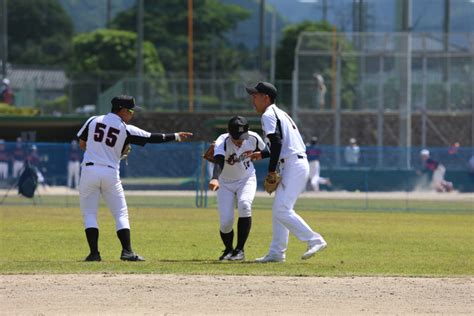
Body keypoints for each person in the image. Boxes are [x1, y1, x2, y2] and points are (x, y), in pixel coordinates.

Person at [77, 95, 192, 262]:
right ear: (123, 111)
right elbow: (151, 137)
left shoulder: (93, 120)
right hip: (110, 172)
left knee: (89, 213)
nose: (132, 114)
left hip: (89, 170)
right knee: (120, 213)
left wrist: (99, 152)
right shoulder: (126, 129)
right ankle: (127, 252)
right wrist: (175, 136)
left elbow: (82, 142)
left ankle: (94, 254)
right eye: (131, 111)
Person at [246, 81, 327, 263]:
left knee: (282, 209)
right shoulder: (280, 113)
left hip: (293, 165)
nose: (253, 99)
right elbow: (281, 142)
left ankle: (314, 239)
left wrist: (271, 170)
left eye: (255, 96)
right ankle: (276, 252)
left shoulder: (268, 115)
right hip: (294, 162)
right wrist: (264, 153)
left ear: (266, 98)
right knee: (279, 210)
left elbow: (277, 142)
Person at [208, 115, 268, 261]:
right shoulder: (222, 141)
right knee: (226, 221)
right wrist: (215, 178)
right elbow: (219, 161)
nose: (240, 141)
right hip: (225, 182)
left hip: (246, 178)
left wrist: (264, 156)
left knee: (245, 205)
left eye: (242, 137)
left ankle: (240, 250)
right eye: (236, 137)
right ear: (228, 131)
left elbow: (269, 151)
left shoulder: (253, 137)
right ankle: (228, 250)